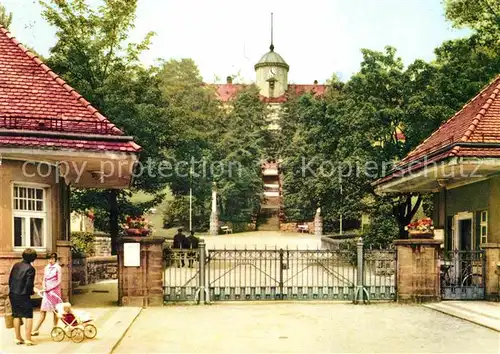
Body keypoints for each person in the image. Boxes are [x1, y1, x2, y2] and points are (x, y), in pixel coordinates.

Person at [8, 248, 39, 346]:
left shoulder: (16, 265)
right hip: (23, 294)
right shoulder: (30, 269)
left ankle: (17, 338)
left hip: (13, 293)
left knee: (16, 315)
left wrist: (12, 289)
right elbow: (29, 284)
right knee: (28, 315)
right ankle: (28, 339)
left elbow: (10, 279)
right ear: (33, 258)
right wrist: (31, 292)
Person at [32, 253, 62, 336]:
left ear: (55, 259)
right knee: (43, 310)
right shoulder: (46, 268)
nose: (50, 260)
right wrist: (44, 285)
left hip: (54, 291)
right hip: (46, 292)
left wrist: (51, 288)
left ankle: (55, 328)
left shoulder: (58, 268)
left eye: (52, 259)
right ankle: (35, 329)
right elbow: (44, 279)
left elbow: (59, 281)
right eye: (49, 259)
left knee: (55, 311)